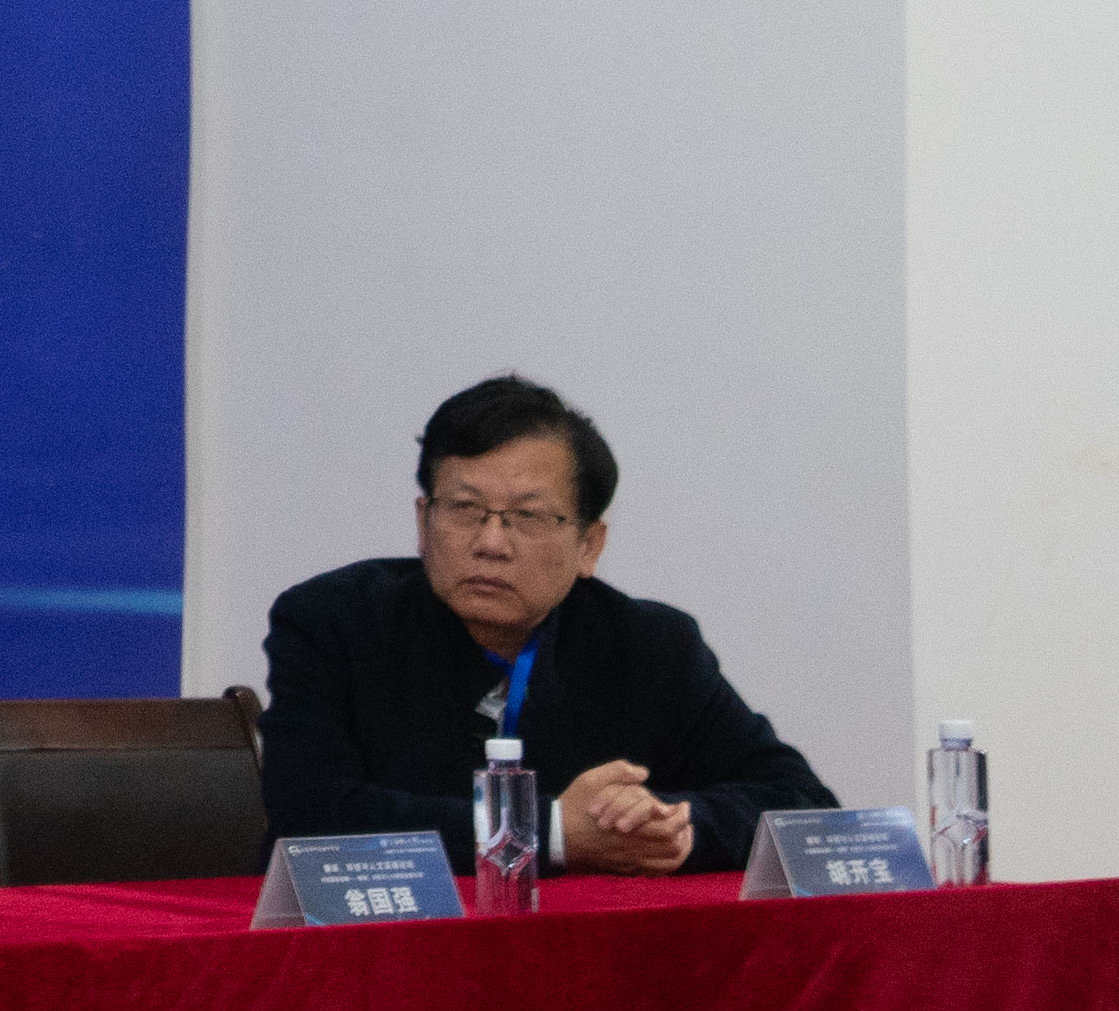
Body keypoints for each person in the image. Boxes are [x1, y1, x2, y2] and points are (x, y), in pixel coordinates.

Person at [260, 372, 831, 876]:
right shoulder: (334, 623)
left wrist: (670, 824)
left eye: (528, 516)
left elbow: (802, 802)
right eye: (464, 509)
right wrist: (551, 832)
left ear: (589, 545)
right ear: (423, 520)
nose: (490, 542)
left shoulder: (651, 646)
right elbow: (309, 814)